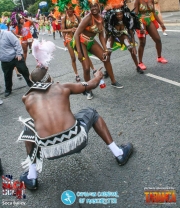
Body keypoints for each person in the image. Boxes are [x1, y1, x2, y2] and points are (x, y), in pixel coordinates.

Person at [18, 53, 133, 190]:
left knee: (28, 127)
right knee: (91, 112)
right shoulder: (61, 87)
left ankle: (32, 177)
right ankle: (118, 153)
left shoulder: (26, 98)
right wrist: (98, 76)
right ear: (48, 78)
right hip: (76, 140)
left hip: (49, 151)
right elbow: (91, 84)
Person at [72, 0, 124, 99]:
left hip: (90, 41)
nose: (93, 8)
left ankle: (113, 81)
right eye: (91, 6)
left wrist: (105, 49)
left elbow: (101, 35)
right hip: (81, 42)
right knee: (86, 68)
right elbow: (76, 34)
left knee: (106, 58)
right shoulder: (87, 18)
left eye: (95, 6)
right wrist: (79, 52)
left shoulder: (101, 18)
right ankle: (88, 89)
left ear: (99, 6)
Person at [126, 0, 168, 70]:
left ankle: (159, 57)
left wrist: (162, 23)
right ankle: (140, 62)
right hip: (141, 22)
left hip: (150, 20)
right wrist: (140, 26)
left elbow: (154, 12)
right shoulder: (138, 0)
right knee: (142, 43)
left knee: (158, 39)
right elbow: (135, 13)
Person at [104, 7, 144, 74]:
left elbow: (131, 35)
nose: (119, 16)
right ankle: (107, 70)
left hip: (122, 35)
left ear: (123, 13)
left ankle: (138, 66)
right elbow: (107, 35)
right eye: (117, 14)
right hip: (113, 36)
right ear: (114, 15)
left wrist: (134, 46)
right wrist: (104, 48)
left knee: (131, 50)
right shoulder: (111, 22)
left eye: (120, 14)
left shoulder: (127, 20)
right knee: (108, 53)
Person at [0, 28, 33, 97]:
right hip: (5, 60)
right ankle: (8, 89)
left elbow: (16, 42)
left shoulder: (7, 34)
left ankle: (30, 83)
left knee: (23, 70)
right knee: (7, 75)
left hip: (15, 57)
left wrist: (18, 54)